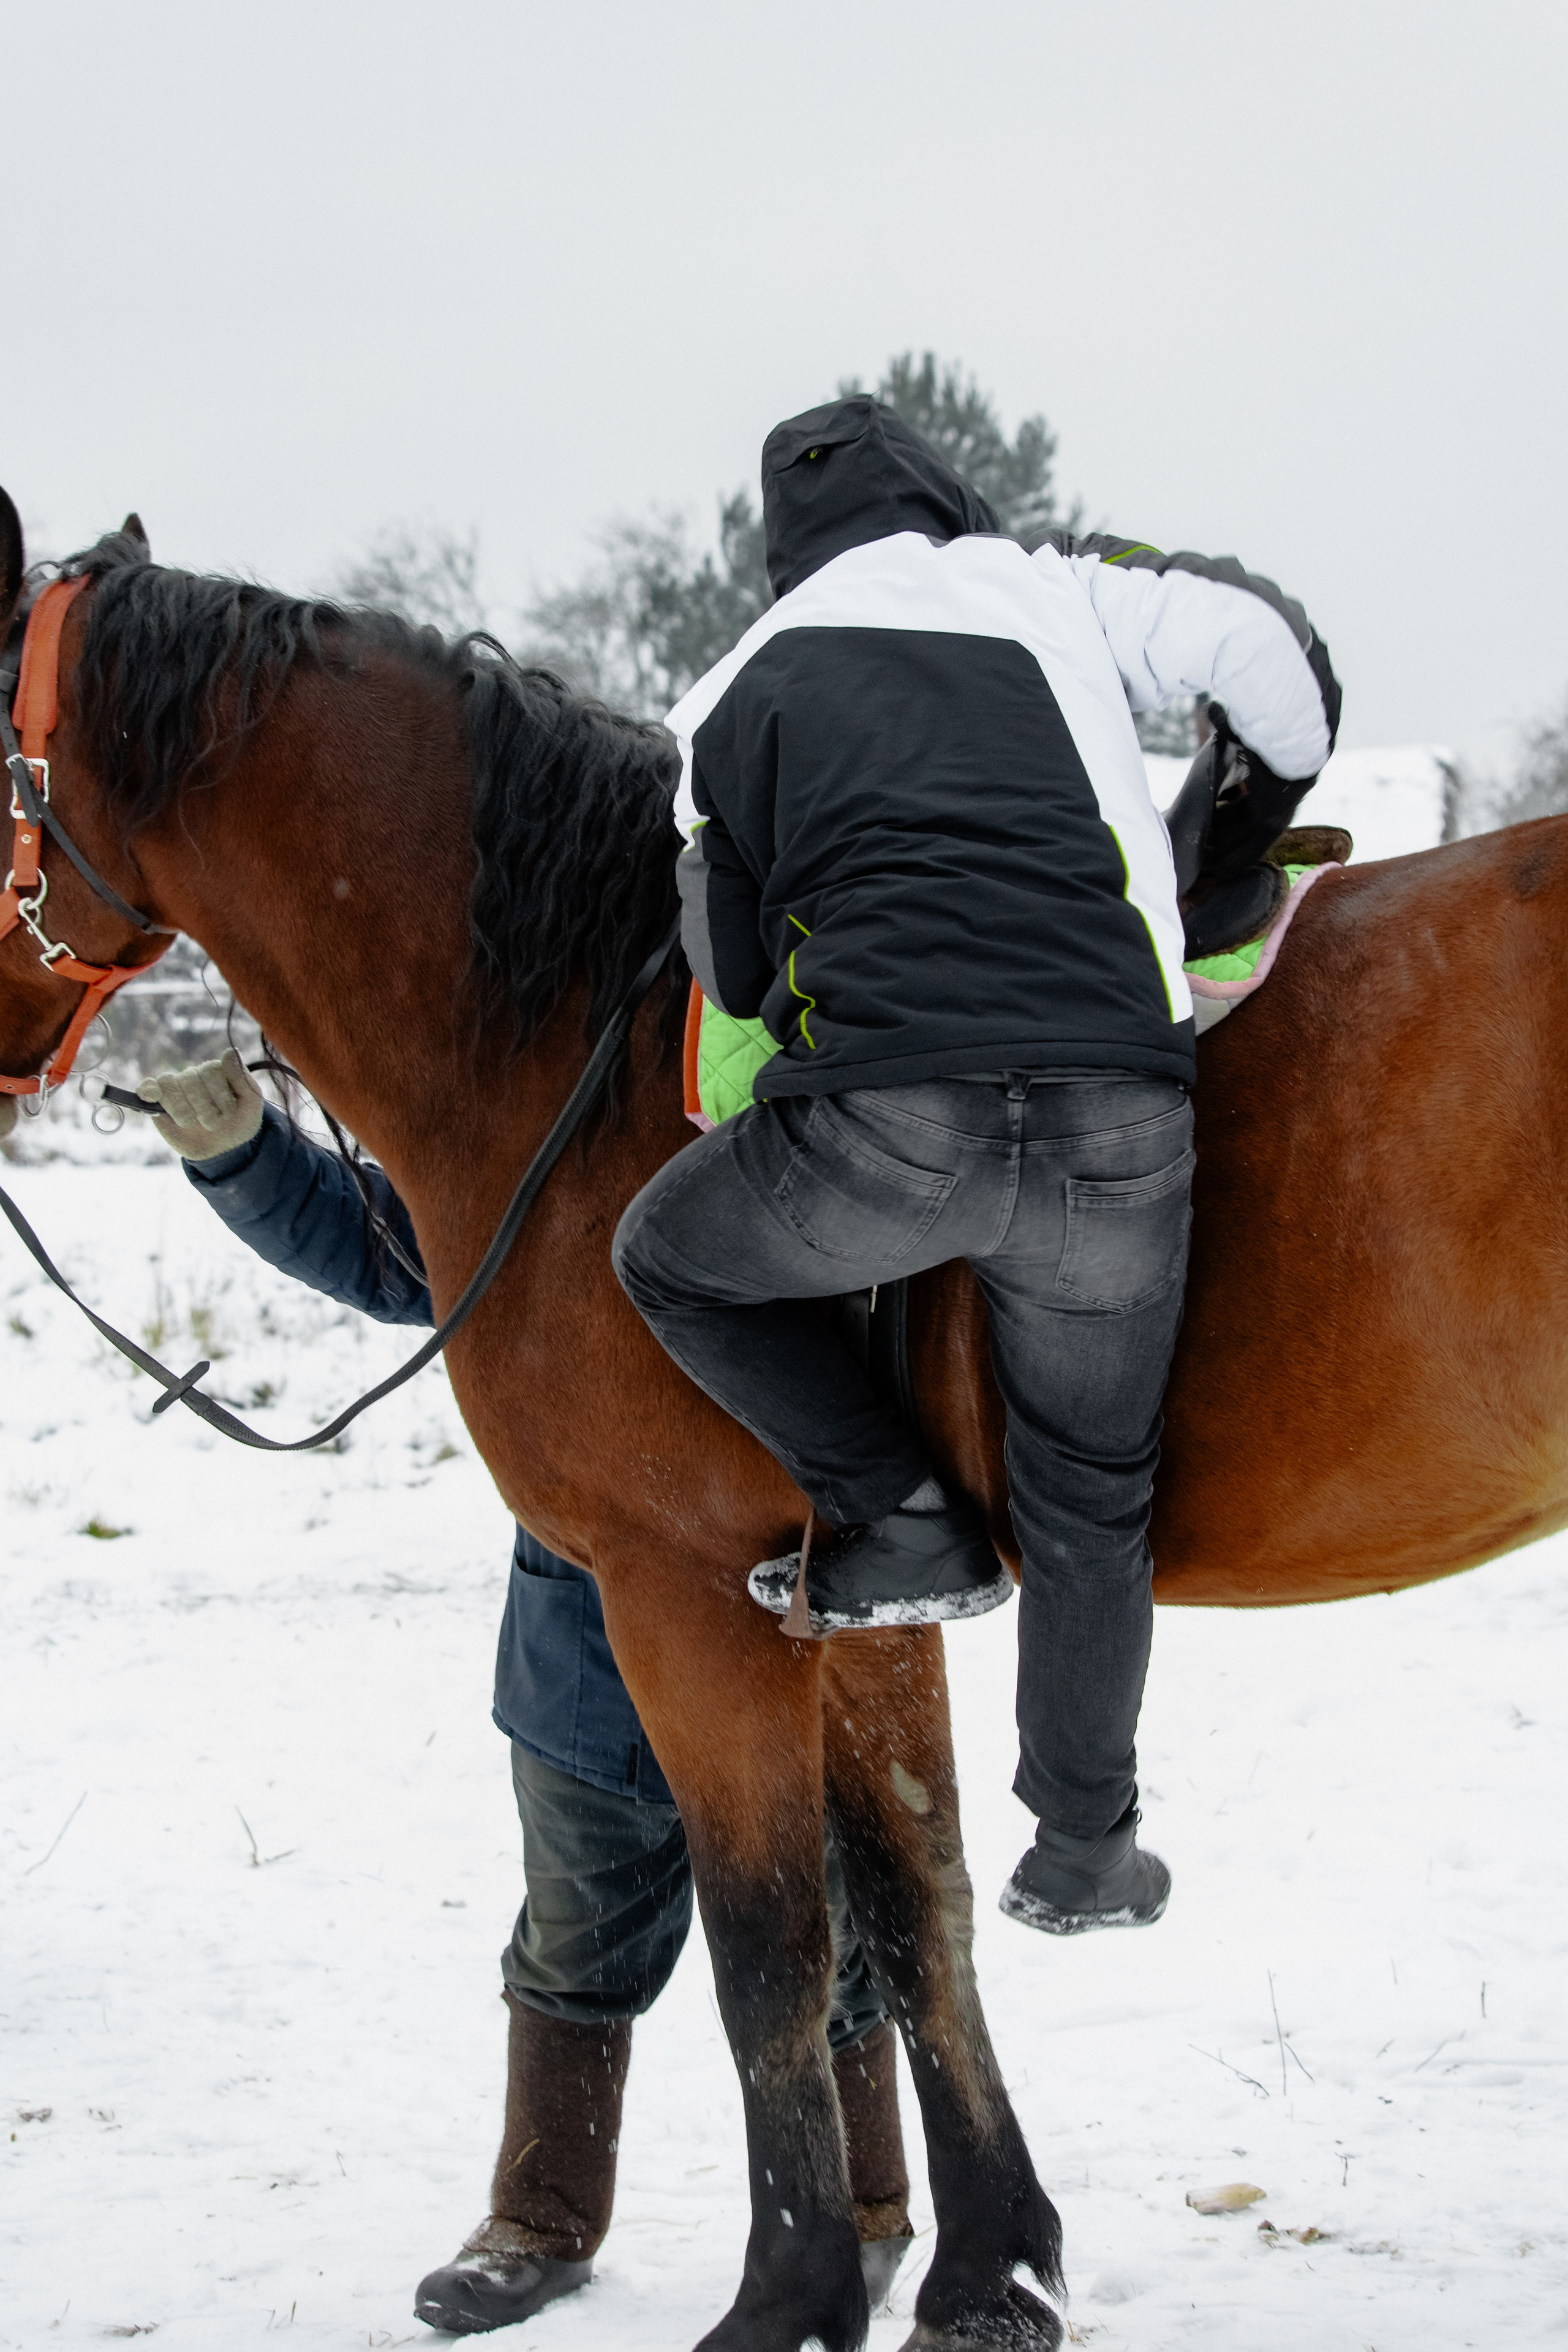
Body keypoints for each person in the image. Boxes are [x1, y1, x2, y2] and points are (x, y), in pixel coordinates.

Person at [613, 394, 1341, 1938]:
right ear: (939, 495)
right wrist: (1208, 850)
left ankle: (894, 1513)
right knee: (1092, 1487)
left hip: (888, 1130)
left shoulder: (722, 699)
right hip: (1117, 1113)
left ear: (778, 552)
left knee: (665, 1259)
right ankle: (1083, 1844)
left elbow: (737, 983)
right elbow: (1278, 673)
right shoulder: (1046, 583)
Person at [136, 1050, 915, 2337]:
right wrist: (242, 1153)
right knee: (575, 1937)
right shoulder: (548, 1111)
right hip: (587, 1646)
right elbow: (401, 1252)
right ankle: (540, 2219)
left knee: (831, 1926)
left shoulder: (810, 1113)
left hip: (796, 1616)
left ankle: (863, 2210)